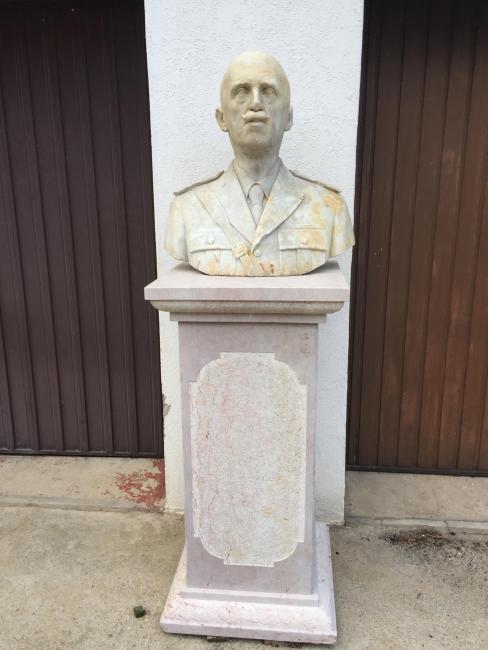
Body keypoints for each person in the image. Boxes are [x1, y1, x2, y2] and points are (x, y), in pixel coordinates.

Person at [165, 51, 355, 276]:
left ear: (289, 118)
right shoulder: (186, 209)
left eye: (268, 91)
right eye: (242, 91)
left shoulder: (329, 208)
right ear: (221, 118)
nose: (256, 103)